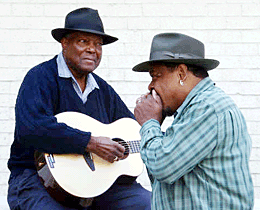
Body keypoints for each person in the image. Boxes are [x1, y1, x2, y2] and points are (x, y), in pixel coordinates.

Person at [7, 7, 151, 210]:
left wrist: (151, 124)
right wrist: (90, 143)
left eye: (98, 44)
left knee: (150, 204)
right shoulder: (40, 78)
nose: (93, 49)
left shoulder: (103, 90)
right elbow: (32, 129)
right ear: (64, 43)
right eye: (84, 42)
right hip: (37, 180)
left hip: (94, 186)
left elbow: (130, 133)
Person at [133, 33, 254, 209]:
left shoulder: (207, 108)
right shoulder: (193, 110)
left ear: (181, 73)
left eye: (156, 76)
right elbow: (164, 181)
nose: (151, 86)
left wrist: (149, 123)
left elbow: (162, 167)